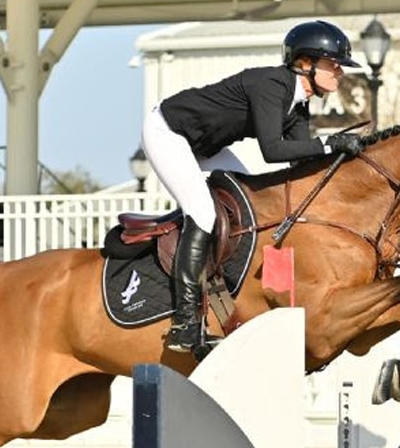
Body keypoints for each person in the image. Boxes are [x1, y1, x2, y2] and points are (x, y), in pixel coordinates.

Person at [141, 20, 365, 353]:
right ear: (306, 63)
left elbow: (301, 167)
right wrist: (330, 143)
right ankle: (186, 323)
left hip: (205, 145)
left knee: (256, 200)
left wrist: (348, 160)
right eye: (334, 64)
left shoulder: (298, 106)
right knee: (202, 213)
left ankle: (248, 296)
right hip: (169, 133)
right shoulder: (272, 84)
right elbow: (272, 150)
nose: (341, 72)